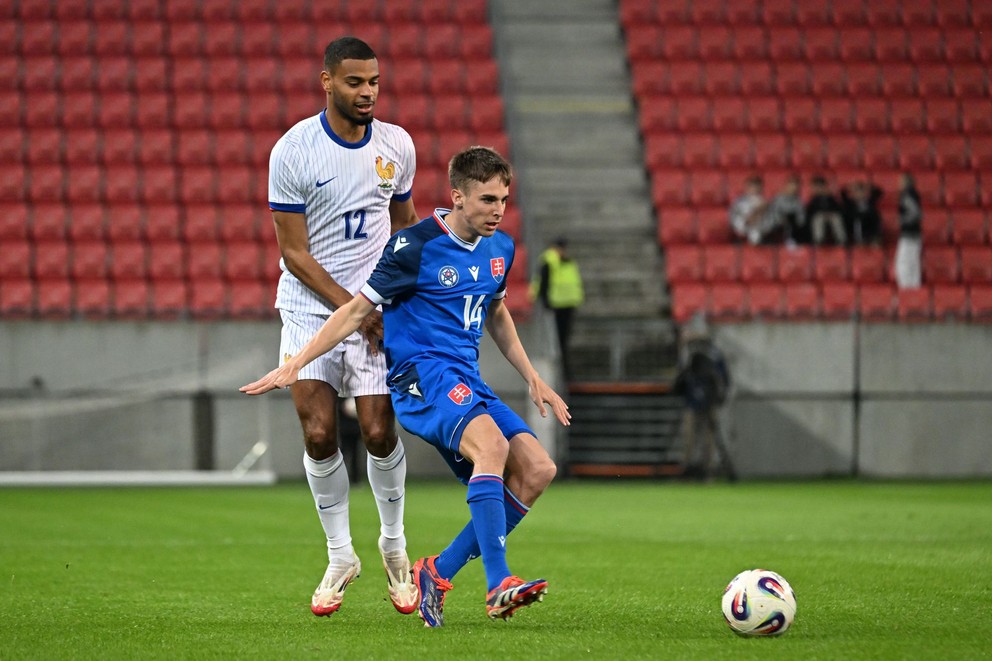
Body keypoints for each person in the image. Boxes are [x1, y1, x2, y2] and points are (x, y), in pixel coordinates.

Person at [243, 147, 570, 627]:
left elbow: (496, 313)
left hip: (466, 377)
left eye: (503, 198)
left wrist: (534, 378)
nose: (498, 209)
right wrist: (298, 362)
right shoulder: (413, 247)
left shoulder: (501, 247)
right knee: (493, 449)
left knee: (539, 470)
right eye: (486, 200)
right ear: (457, 197)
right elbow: (356, 310)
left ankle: (436, 572)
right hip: (422, 377)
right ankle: (499, 582)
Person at [266, 36, 420, 617]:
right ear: (326, 81)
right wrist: (353, 310)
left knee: (379, 430)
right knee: (317, 431)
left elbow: (405, 231)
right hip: (311, 304)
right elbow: (295, 255)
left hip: (377, 305)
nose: (368, 93)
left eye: (374, 82)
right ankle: (340, 554)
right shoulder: (294, 150)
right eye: (355, 82)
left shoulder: (396, 145)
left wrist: (393, 303)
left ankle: (394, 546)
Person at [672, 313, 732, 480]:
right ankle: (686, 470)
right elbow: (681, 376)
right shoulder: (687, 353)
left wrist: (720, 398)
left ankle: (708, 471)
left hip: (710, 401)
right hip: (691, 401)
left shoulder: (714, 353)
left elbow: (723, 378)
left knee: (709, 439)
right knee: (688, 438)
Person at [530, 237, 585, 379]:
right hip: (555, 307)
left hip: (568, 305)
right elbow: (543, 284)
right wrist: (546, 304)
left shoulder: (568, 262)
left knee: (563, 341)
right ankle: (564, 372)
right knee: (557, 341)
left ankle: (566, 371)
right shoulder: (549, 261)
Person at [894, 173, 923, 289]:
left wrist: (901, 221)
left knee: (903, 264)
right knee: (914, 264)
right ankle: (915, 290)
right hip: (915, 234)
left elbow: (916, 213)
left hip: (909, 234)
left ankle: (906, 291)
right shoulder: (914, 194)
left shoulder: (906, 195)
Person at [728, 175, 771, 244]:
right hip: (742, 230)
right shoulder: (739, 201)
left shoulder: (763, 202)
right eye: (752, 187)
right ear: (747, 187)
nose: (755, 189)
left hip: (760, 231)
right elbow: (736, 219)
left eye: (757, 187)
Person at [805, 175, 847, 246]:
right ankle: (818, 241)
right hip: (819, 216)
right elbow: (810, 211)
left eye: (821, 186)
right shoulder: (813, 199)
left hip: (831, 215)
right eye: (817, 187)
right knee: (818, 219)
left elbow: (839, 209)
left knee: (836, 218)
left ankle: (842, 241)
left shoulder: (831, 198)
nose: (819, 189)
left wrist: (830, 212)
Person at [765, 175, 806, 245]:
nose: (794, 188)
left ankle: (792, 241)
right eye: (792, 186)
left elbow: (801, 218)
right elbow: (773, 213)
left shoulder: (798, 201)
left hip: (791, 227)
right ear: (787, 186)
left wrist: (797, 222)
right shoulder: (778, 198)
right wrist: (782, 219)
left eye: (796, 186)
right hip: (775, 226)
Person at [841, 180, 883, 245]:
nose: (860, 194)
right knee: (858, 220)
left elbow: (879, 192)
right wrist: (849, 187)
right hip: (855, 222)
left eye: (862, 192)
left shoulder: (869, 201)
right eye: (857, 192)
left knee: (876, 216)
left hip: (868, 222)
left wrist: (868, 186)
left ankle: (875, 238)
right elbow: (842, 194)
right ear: (854, 194)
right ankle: (859, 240)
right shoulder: (850, 203)